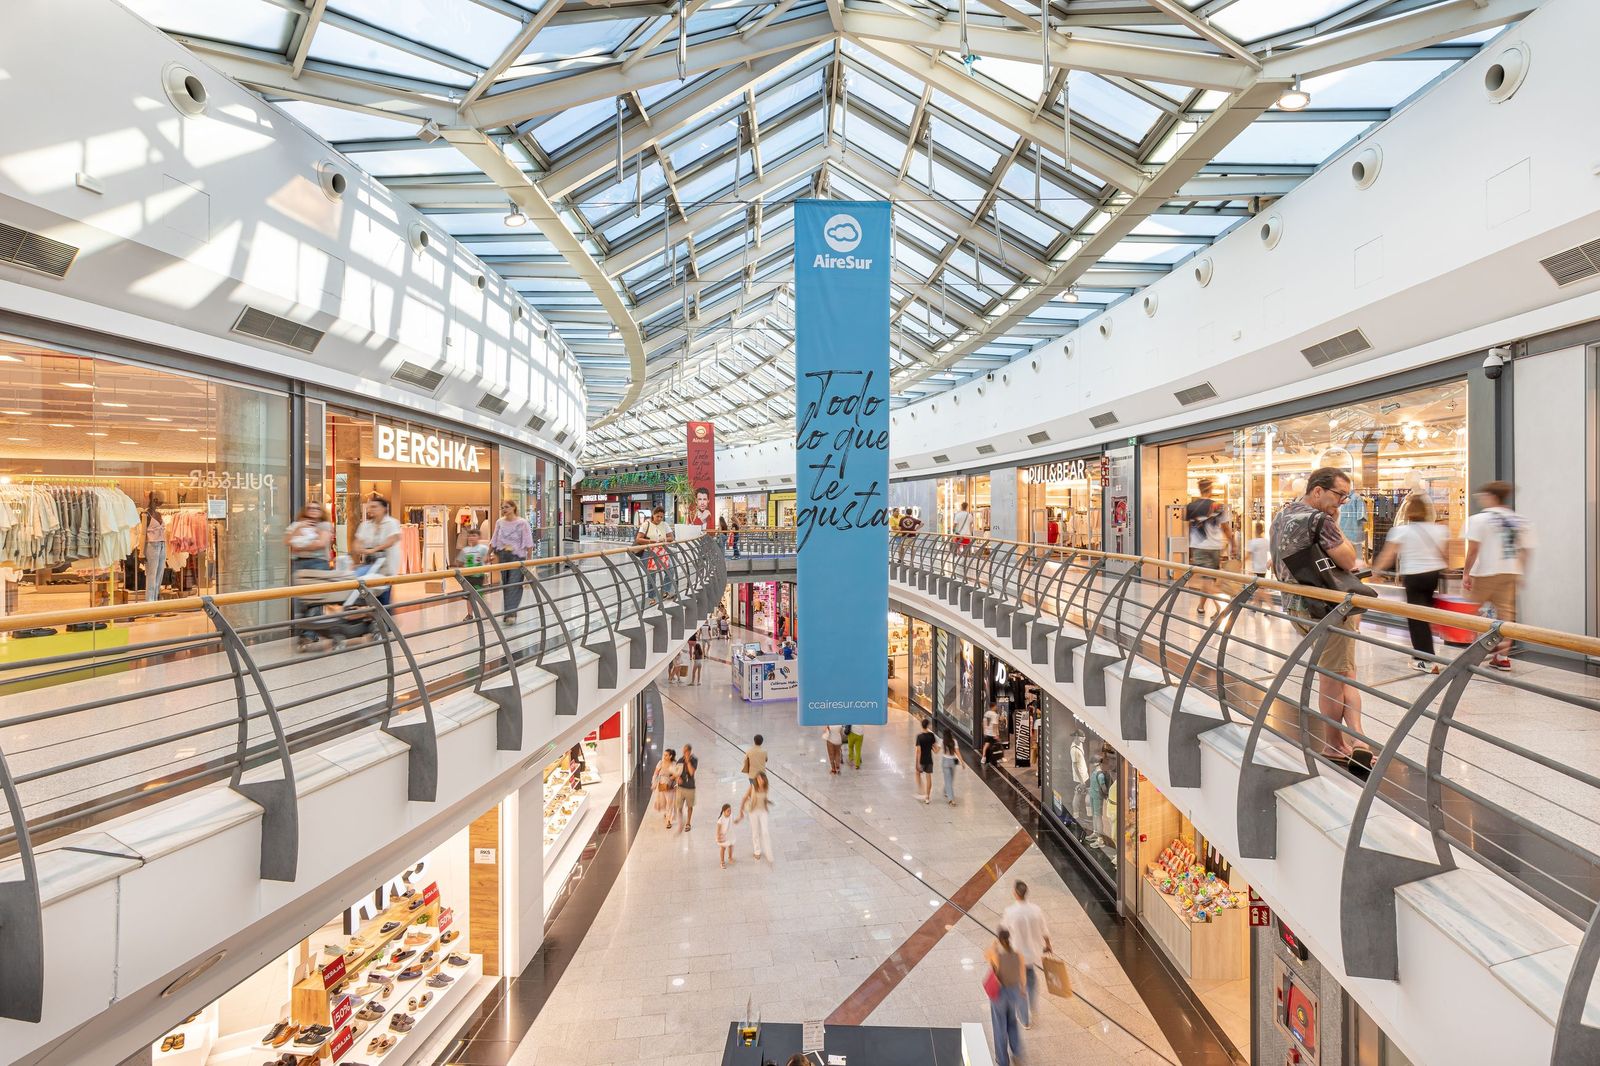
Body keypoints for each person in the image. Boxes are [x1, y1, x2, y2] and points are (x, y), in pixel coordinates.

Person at [1270, 467, 1366, 758]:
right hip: (1327, 608)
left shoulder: (1282, 515)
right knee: (1334, 678)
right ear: (1317, 491)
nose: (1341, 502)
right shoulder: (1320, 520)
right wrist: (1338, 529)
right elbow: (1349, 560)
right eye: (1339, 495)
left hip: (1295, 604)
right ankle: (1334, 744)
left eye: (1346, 497)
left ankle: (1358, 738)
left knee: (1344, 670)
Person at [1464, 480, 1535, 671]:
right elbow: (1526, 550)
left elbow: (1473, 550)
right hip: (1510, 572)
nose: (1481, 499)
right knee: (1506, 617)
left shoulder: (1479, 519)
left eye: (1484, 496)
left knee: (1472, 612)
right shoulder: (1519, 520)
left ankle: (1475, 653)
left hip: (1486, 572)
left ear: (1492, 497)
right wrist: (1521, 573)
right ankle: (1502, 657)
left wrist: (1466, 573)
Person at [1373, 494, 1448, 672]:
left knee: (1416, 618)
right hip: (1433, 575)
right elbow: (1446, 555)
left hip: (1414, 576)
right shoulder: (1440, 530)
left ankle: (1425, 659)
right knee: (1424, 615)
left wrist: (1376, 571)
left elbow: (1387, 555)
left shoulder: (1401, 531)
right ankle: (1425, 655)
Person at [1001, 880, 1053, 1029]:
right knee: (1030, 976)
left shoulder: (1010, 912)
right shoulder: (1036, 910)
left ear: (1015, 893)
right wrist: (1048, 945)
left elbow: (1003, 932)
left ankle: (1025, 1019)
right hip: (1033, 953)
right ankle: (1033, 1004)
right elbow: (1044, 930)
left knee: (1020, 986)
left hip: (1018, 954)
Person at [1185, 477, 1232, 616]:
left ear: (1199, 489)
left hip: (1199, 546)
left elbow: (1188, 527)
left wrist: (1190, 547)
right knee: (1209, 579)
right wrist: (1233, 544)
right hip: (1216, 547)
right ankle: (1202, 607)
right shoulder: (1218, 506)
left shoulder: (1191, 507)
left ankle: (1217, 605)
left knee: (1207, 580)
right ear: (1210, 489)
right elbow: (1226, 528)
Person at [285, 502, 334, 633]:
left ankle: (310, 634)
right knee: (301, 599)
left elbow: (320, 544)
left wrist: (300, 546)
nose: (313, 510)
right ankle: (306, 631)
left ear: (321, 511)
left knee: (315, 599)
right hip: (299, 563)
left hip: (318, 563)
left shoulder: (324, 525)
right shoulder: (298, 524)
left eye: (317, 508)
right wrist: (300, 530)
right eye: (310, 508)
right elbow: (288, 541)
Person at [985, 927, 1026, 1066]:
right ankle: (1017, 1053)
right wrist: (1022, 989)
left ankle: (1002, 1060)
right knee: (1012, 1022)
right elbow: (1022, 975)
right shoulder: (1018, 954)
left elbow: (986, 955)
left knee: (999, 1025)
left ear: (999, 939)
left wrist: (994, 944)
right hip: (1014, 991)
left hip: (1000, 994)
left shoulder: (996, 956)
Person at [488, 500, 533, 626]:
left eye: (507, 507)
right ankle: (509, 612)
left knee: (514, 584)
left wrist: (529, 559)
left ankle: (510, 613)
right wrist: (488, 553)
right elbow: (494, 539)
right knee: (506, 585)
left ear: (513, 508)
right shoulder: (500, 522)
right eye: (502, 507)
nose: (504, 509)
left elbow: (528, 541)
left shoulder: (522, 523)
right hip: (503, 556)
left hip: (517, 556)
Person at [354, 496, 402, 606]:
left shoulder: (392, 523)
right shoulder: (365, 525)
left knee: (383, 593)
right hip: (369, 563)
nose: (371, 509)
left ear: (384, 508)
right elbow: (358, 540)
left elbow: (393, 539)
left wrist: (374, 549)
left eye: (374, 507)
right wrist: (358, 549)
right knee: (366, 590)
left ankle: (386, 620)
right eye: (370, 507)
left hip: (386, 564)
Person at [636, 505, 674, 602]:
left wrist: (664, 539)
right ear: (653, 515)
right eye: (657, 516)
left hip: (661, 552)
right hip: (648, 553)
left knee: (670, 570)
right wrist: (651, 542)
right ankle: (652, 597)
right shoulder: (646, 525)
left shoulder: (664, 525)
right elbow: (638, 539)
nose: (659, 519)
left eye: (661, 517)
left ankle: (665, 591)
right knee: (652, 575)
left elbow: (671, 538)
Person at [453, 527, 489, 620]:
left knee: (479, 595)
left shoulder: (483, 548)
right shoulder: (465, 550)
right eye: (469, 536)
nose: (471, 538)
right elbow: (459, 561)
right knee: (468, 596)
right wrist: (459, 564)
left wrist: (488, 560)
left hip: (478, 576)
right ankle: (470, 614)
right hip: (467, 576)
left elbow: (488, 558)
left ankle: (485, 610)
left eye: (474, 535)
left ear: (479, 537)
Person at [736, 772, 773, 860]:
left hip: (763, 811)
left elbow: (764, 798)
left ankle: (768, 852)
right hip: (753, 812)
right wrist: (741, 811)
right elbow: (744, 798)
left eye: (761, 779)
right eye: (758, 779)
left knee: (765, 832)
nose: (759, 781)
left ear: (764, 780)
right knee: (755, 832)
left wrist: (768, 802)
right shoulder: (752, 787)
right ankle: (757, 851)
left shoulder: (766, 788)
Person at [141, 497, 167, 603]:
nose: (158, 503)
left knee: (159, 575)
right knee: (151, 576)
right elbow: (143, 534)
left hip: (162, 545)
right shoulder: (145, 515)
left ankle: (156, 602)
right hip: (152, 545)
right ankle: (150, 604)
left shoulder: (159, 514)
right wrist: (141, 553)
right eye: (155, 500)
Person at [914, 717, 936, 804]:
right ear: (928, 725)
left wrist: (918, 763)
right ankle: (927, 796)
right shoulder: (931, 736)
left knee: (917, 773)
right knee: (928, 777)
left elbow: (918, 751)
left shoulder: (919, 737)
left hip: (922, 760)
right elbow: (935, 749)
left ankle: (921, 789)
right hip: (929, 759)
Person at [655, 749, 679, 829]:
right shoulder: (660, 763)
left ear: (670, 756)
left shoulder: (673, 764)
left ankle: (669, 820)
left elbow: (676, 775)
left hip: (670, 787)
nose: (664, 756)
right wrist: (654, 783)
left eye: (666, 755)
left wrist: (672, 778)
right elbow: (656, 773)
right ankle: (667, 813)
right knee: (664, 802)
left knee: (670, 803)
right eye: (664, 755)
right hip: (661, 785)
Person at [676, 744, 698, 831]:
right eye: (683, 751)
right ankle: (681, 822)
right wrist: (678, 778)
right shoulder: (680, 760)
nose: (684, 752)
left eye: (686, 751)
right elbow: (676, 772)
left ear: (690, 751)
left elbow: (692, 772)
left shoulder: (694, 760)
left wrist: (688, 761)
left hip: (690, 787)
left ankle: (688, 822)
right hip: (681, 788)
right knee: (679, 807)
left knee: (689, 806)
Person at [940, 728, 959, 805]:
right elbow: (957, 752)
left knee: (949, 780)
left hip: (945, 761)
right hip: (953, 762)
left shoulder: (942, 741)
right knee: (950, 779)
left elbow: (936, 750)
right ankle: (951, 799)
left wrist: (932, 746)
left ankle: (946, 790)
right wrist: (962, 761)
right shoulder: (954, 741)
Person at [981, 699, 1002, 765]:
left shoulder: (986, 713)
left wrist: (984, 731)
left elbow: (983, 722)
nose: (996, 707)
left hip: (987, 732)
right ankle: (998, 758)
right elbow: (994, 725)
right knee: (997, 745)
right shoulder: (994, 715)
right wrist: (996, 734)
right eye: (996, 706)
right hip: (992, 733)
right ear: (993, 706)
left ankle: (983, 758)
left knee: (986, 745)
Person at [716, 803, 734, 869]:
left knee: (731, 845)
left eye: (730, 810)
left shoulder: (730, 816)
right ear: (724, 811)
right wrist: (718, 837)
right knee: (723, 848)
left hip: (728, 834)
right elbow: (717, 830)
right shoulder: (720, 820)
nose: (730, 812)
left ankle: (730, 857)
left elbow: (733, 822)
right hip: (722, 836)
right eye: (728, 811)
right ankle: (722, 862)